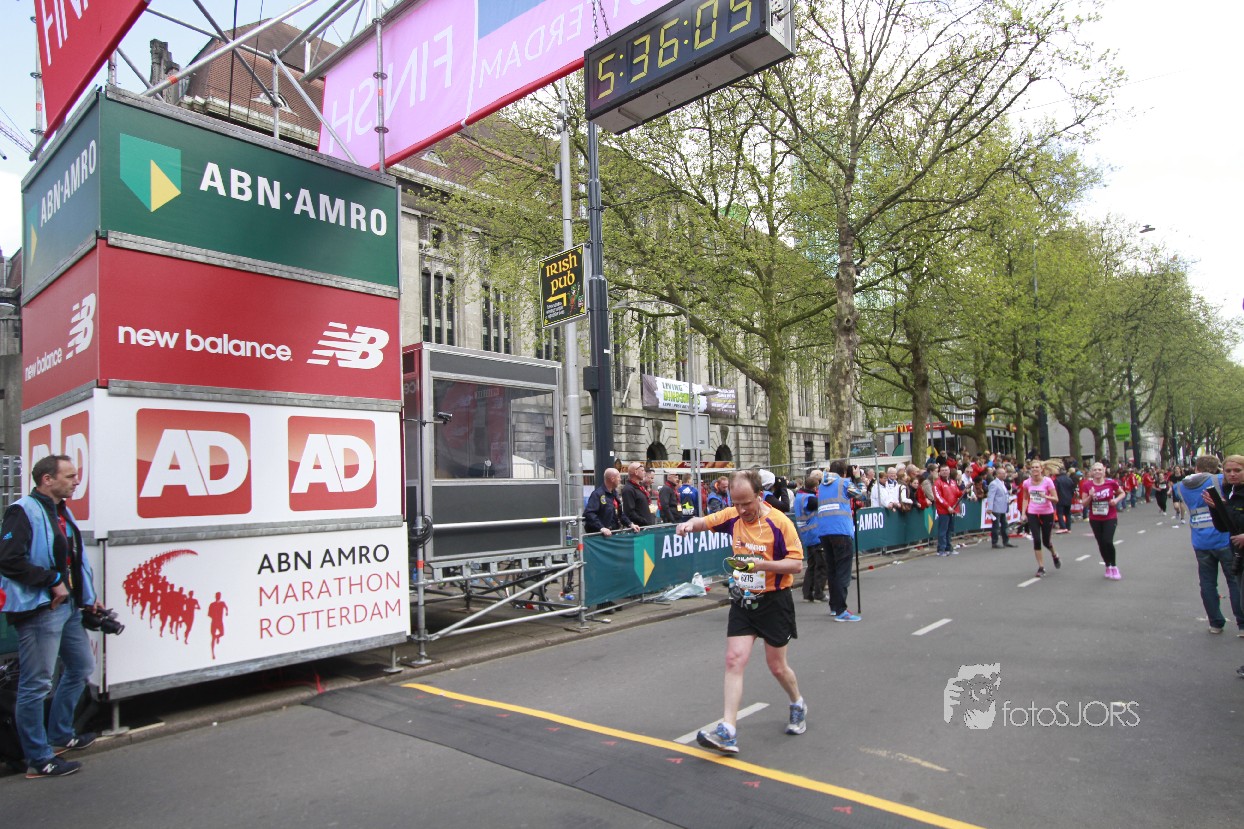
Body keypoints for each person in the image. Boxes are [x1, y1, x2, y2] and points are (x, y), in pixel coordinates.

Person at [677, 470, 806, 754]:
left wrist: (761, 565)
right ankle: (728, 730)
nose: (741, 509)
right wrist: (687, 524)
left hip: (775, 601)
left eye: (746, 503)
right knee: (734, 659)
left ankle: (797, 702)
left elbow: (797, 565)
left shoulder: (779, 522)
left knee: (777, 666)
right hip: (744, 600)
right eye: (736, 503)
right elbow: (703, 522)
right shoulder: (732, 515)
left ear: (759, 495)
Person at [0, 455, 98, 778]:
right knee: (36, 684)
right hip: (40, 610)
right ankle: (38, 759)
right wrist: (52, 581)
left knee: (81, 667)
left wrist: (87, 597)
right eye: (69, 476)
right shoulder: (22, 511)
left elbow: (72, 560)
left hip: (67, 607)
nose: (76, 481)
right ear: (47, 479)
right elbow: (8, 560)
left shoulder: (61, 512)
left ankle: (59, 734)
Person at [1181, 455, 1244, 635]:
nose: (1231, 474)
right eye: (1227, 470)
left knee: (1207, 583)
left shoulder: (1182, 486)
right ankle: (1242, 623)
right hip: (1222, 537)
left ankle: (1215, 622)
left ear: (1196, 467)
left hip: (1200, 539)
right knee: (1234, 581)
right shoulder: (1219, 480)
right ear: (1217, 468)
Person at [1203, 455, 1244, 676]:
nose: (1232, 474)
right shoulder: (1231, 492)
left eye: (1237, 470)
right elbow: (1224, 526)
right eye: (1228, 471)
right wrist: (1216, 508)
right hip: (1239, 556)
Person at [817, 461, 865, 621]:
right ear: (844, 472)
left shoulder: (822, 485)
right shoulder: (844, 483)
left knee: (832, 570)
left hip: (824, 531)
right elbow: (861, 495)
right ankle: (841, 610)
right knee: (843, 572)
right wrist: (858, 478)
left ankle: (834, 606)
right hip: (841, 530)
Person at [1079, 463, 1126, 579]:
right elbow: (1083, 503)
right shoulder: (1087, 485)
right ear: (1091, 472)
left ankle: (1114, 566)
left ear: (1104, 471)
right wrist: (1090, 496)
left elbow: (1122, 493)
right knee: (1101, 543)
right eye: (1095, 470)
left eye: (1100, 470)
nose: (1097, 472)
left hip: (1110, 516)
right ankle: (1107, 565)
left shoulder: (1111, 483)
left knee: (1107, 541)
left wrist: (1116, 501)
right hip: (1095, 518)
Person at [1021, 459, 1060, 577]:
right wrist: (1023, 513)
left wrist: (1046, 496)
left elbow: (1056, 499)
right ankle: (1041, 567)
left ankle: (1054, 554)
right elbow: (1025, 498)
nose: (1034, 469)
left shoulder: (1047, 481)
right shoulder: (1027, 483)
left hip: (1047, 513)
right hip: (1033, 513)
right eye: (1032, 467)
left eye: (1037, 467)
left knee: (1046, 542)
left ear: (1041, 469)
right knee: (1037, 540)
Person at [793, 471, 826, 602]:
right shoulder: (810, 499)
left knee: (812, 565)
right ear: (815, 487)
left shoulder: (799, 497)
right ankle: (819, 593)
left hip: (807, 535)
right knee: (821, 565)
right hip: (816, 534)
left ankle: (807, 593)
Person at [583, 467, 633, 537]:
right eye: (618, 477)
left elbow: (620, 514)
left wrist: (630, 524)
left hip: (614, 534)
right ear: (612, 479)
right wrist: (601, 528)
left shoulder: (615, 494)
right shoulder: (597, 494)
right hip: (600, 537)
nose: (620, 479)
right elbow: (589, 513)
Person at [933, 464, 962, 556]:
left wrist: (964, 491)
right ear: (940, 472)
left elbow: (957, 493)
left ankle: (948, 548)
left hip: (952, 509)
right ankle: (941, 549)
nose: (945, 472)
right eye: (943, 470)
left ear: (949, 471)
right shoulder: (937, 483)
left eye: (946, 470)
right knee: (943, 530)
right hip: (943, 511)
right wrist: (947, 506)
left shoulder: (953, 482)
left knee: (949, 530)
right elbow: (938, 497)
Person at [987, 468, 1016, 549]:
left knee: (1005, 525)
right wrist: (990, 508)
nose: (1004, 475)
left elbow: (1003, 495)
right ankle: (995, 542)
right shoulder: (994, 484)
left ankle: (1006, 541)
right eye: (1002, 473)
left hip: (1003, 507)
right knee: (996, 526)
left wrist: (1008, 501)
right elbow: (991, 496)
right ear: (997, 474)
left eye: (1004, 473)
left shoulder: (1003, 483)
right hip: (996, 508)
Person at [621, 462, 654, 527]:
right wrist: (644, 521)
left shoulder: (640, 487)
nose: (644, 472)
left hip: (646, 526)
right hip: (640, 528)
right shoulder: (628, 489)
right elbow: (629, 512)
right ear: (636, 472)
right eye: (642, 470)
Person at [1053, 465, 1077, 533]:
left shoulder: (1057, 480)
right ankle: (1068, 527)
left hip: (1060, 498)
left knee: (1060, 513)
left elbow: (1055, 490)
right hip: (1068, 498)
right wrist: (1071, 496)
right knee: (1068, 514)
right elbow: (1072, 489)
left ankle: (1063, 527)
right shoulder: (1069, 479)